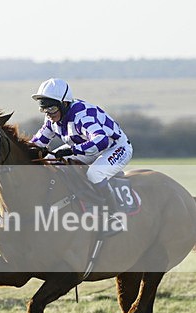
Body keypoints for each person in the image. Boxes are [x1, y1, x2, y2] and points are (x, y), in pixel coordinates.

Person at [29, 78, 132, 217]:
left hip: (115, 147)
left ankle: (113, 214)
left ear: (64, 104)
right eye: (43, 109)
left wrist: (72, 150)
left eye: (52, 108)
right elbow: (37, 143)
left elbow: (100, 141)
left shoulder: (82, 116)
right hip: (86, 146)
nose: (48, 113)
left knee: (95, 174)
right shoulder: (51, 119)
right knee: (49, 159)